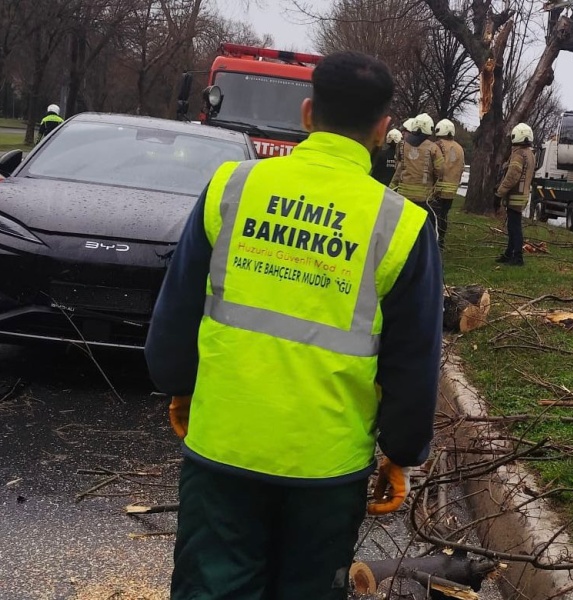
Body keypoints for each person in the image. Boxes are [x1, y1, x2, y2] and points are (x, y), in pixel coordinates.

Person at [144, 51, 443, 599]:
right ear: (382, 130)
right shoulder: (402, 226)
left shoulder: (230, 187)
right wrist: (400, 452)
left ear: (308, 114)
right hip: (326, 471)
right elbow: (413, 360)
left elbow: (177, 311)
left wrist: (178, 386)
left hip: (224, 450)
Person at [393, 112, 444, 232]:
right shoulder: (433, 148)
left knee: (403, 227)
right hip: (424, 198)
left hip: (403, 196)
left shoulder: (402, 145)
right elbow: (440, 171)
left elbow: (398, 167)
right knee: (423, 229)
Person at [495, 123, 536, 266]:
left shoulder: (518, 154)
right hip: (523, 195)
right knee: (513, 227)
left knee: (514, 228)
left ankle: (517, 257)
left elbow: (512, 176)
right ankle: (509, 254)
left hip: (515, 196)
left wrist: (499, 193)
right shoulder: (530, 154)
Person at [433, 119, 466, 250]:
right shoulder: (460, 148)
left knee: (435, 216)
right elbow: (462, 168)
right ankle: (441, 241)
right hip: (451, 191)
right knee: (444, 215)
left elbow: (434, 166)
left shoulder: (436, 146)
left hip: (437, 189)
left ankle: (434, 242)